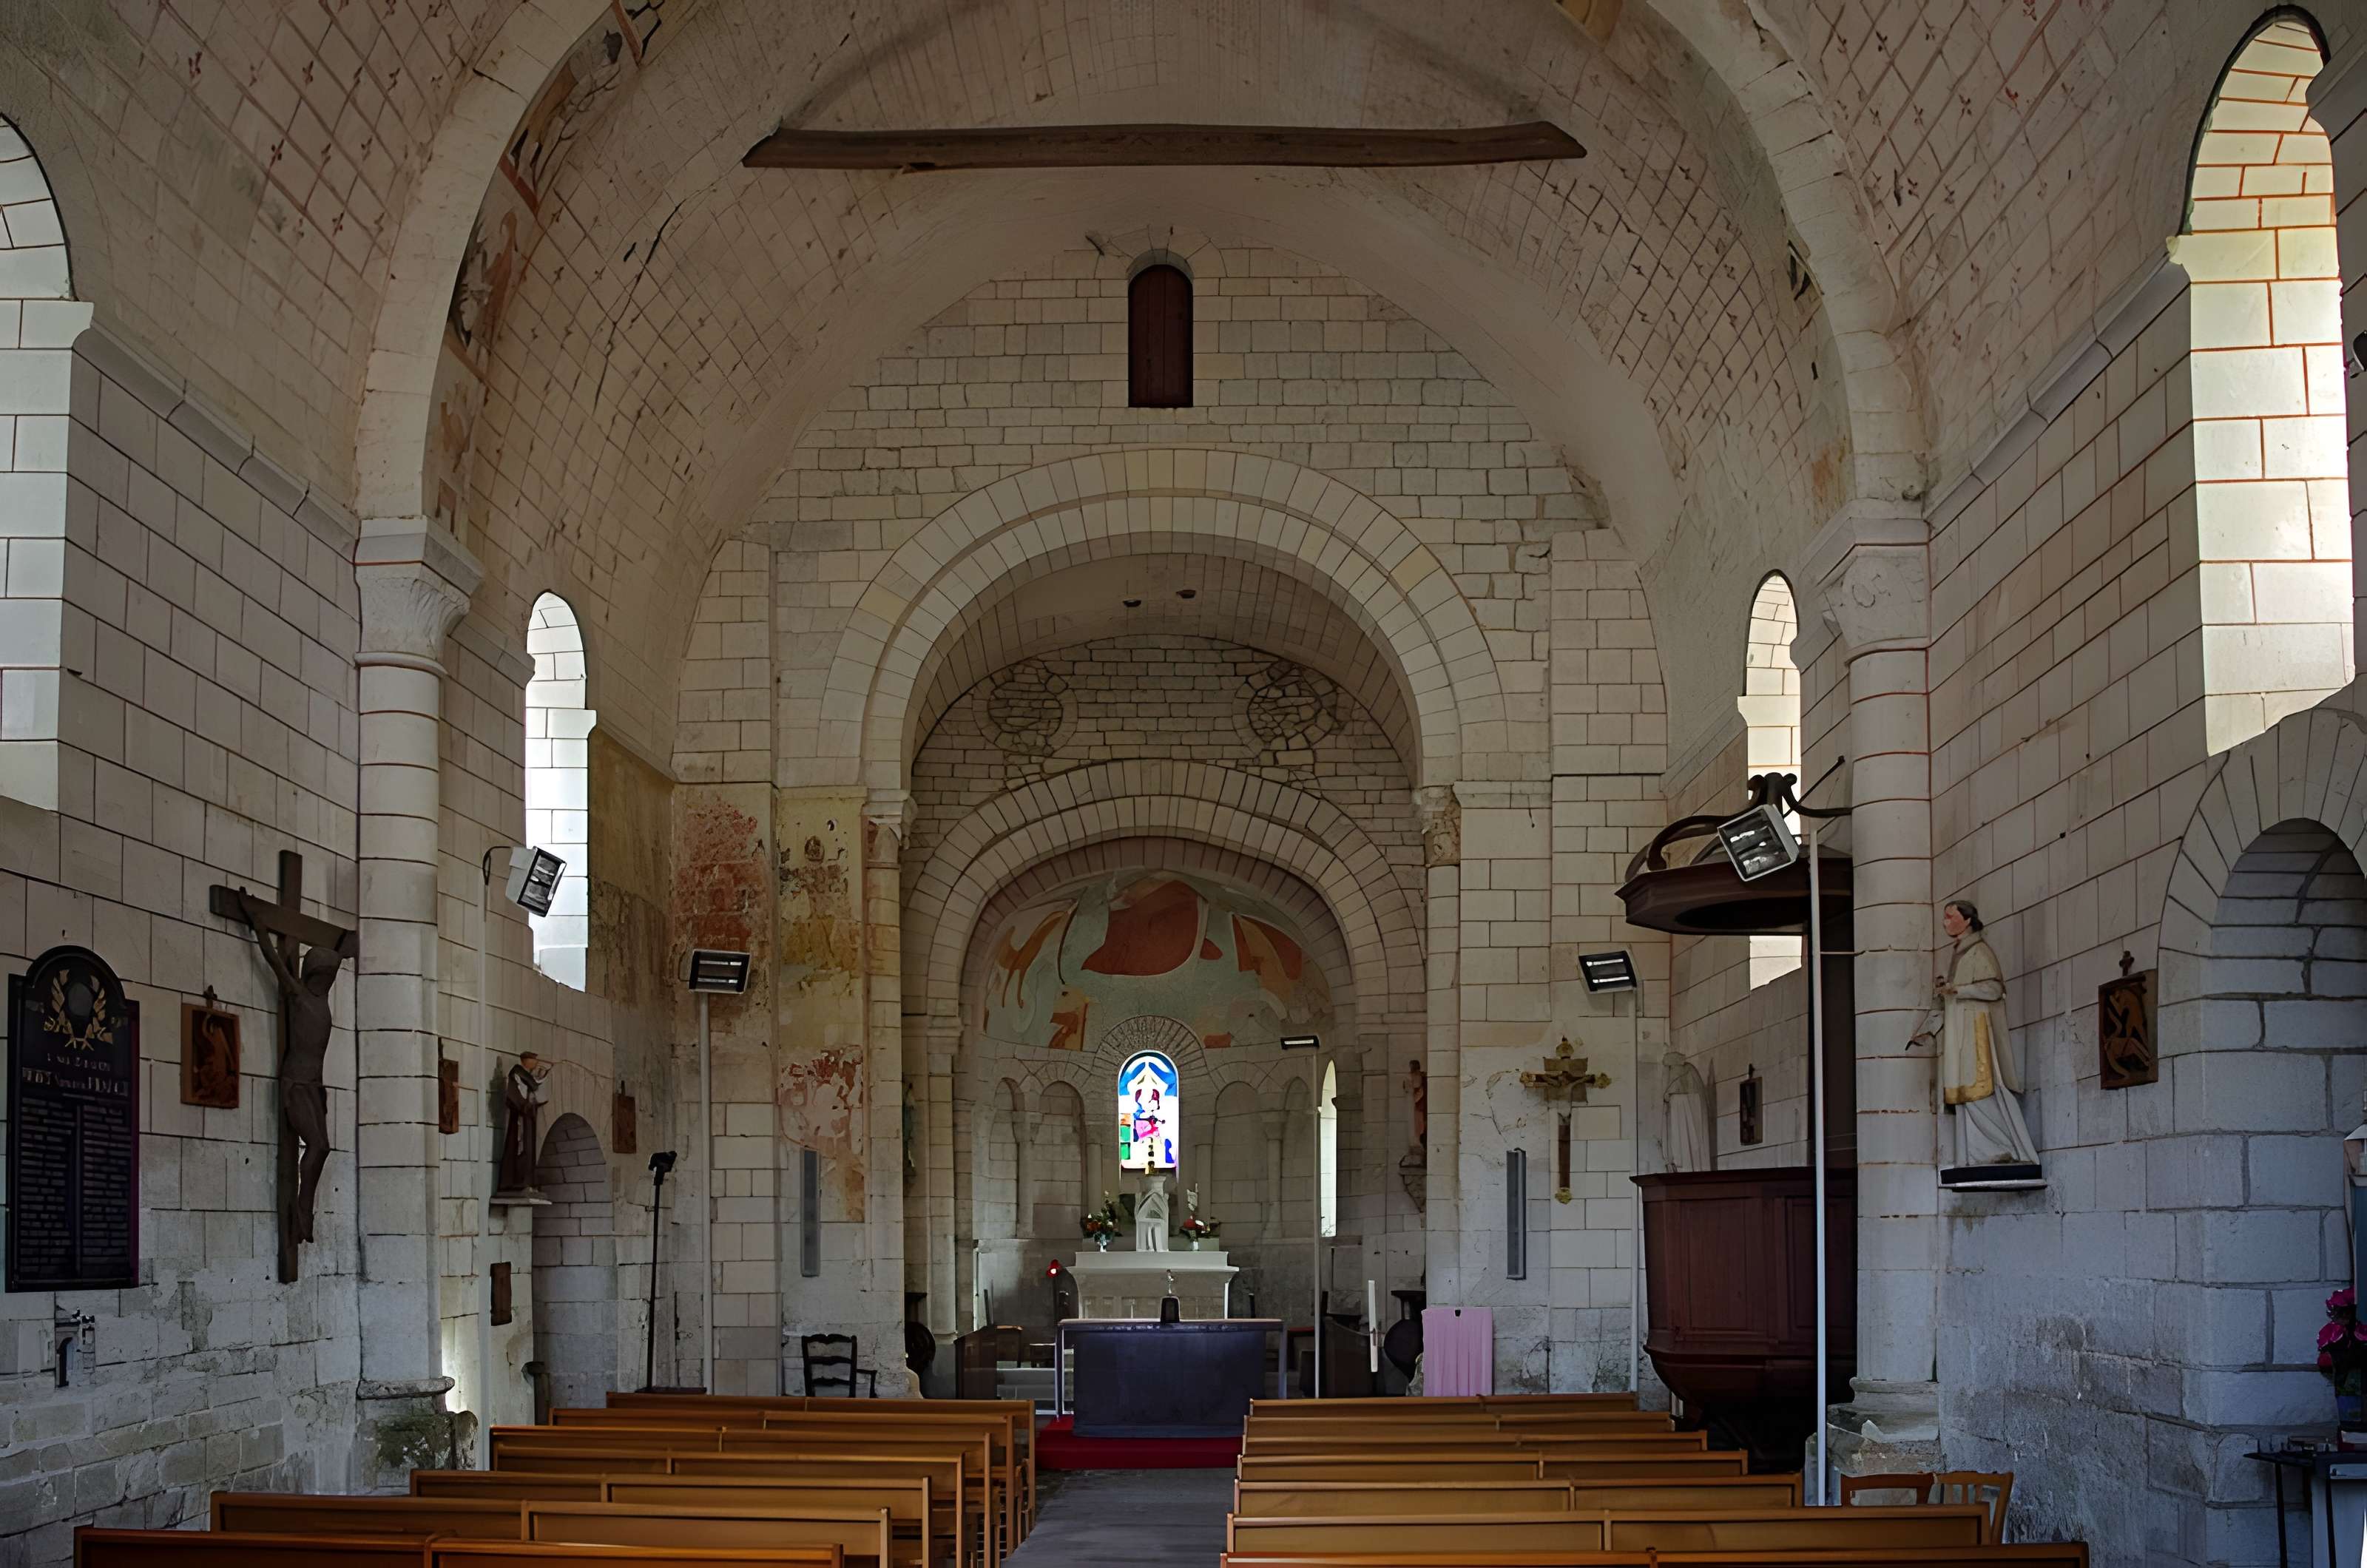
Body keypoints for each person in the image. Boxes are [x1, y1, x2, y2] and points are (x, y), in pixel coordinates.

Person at [234, 896, 351, 1252]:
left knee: (324, 1147)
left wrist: (345, 947)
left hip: (315, 1086)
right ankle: (304, 1213)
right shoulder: (299, 995)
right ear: (314, 974)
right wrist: (260, 925)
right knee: (318, 1145)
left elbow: (344, 950)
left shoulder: (322, 1001)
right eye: (325, 975)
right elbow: (273, 961)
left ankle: (305, 1211)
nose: (329, 982)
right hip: (296, 1084)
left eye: (332, 977)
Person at [1911, 899, 2042, 1173]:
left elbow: (1994, 989)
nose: (1945, 923)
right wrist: (1928, 1028)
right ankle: (1974, 1154)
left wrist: (1958, 991)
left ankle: (2005, 1148)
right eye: (1945, 918)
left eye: (1950, 917)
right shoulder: (1959, 953)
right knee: (1962, 1093)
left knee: (1978, 1089)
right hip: (1958, 1032)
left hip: (1975, 1031)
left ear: (1968, 920)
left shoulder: (1979, 951)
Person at [498, 1052, 553, 1194]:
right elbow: (531, 1086)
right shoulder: (518, 1071)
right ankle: (516, 1182)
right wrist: (525, 1106)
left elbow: (534, 1088)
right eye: (533, 1060)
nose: (536, 1063)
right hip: (520, 1117)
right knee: (519, 1148)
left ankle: (526, 1181)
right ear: (526, 1061)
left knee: (528, 1148)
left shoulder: (524, 1074)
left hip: (527, 1116)